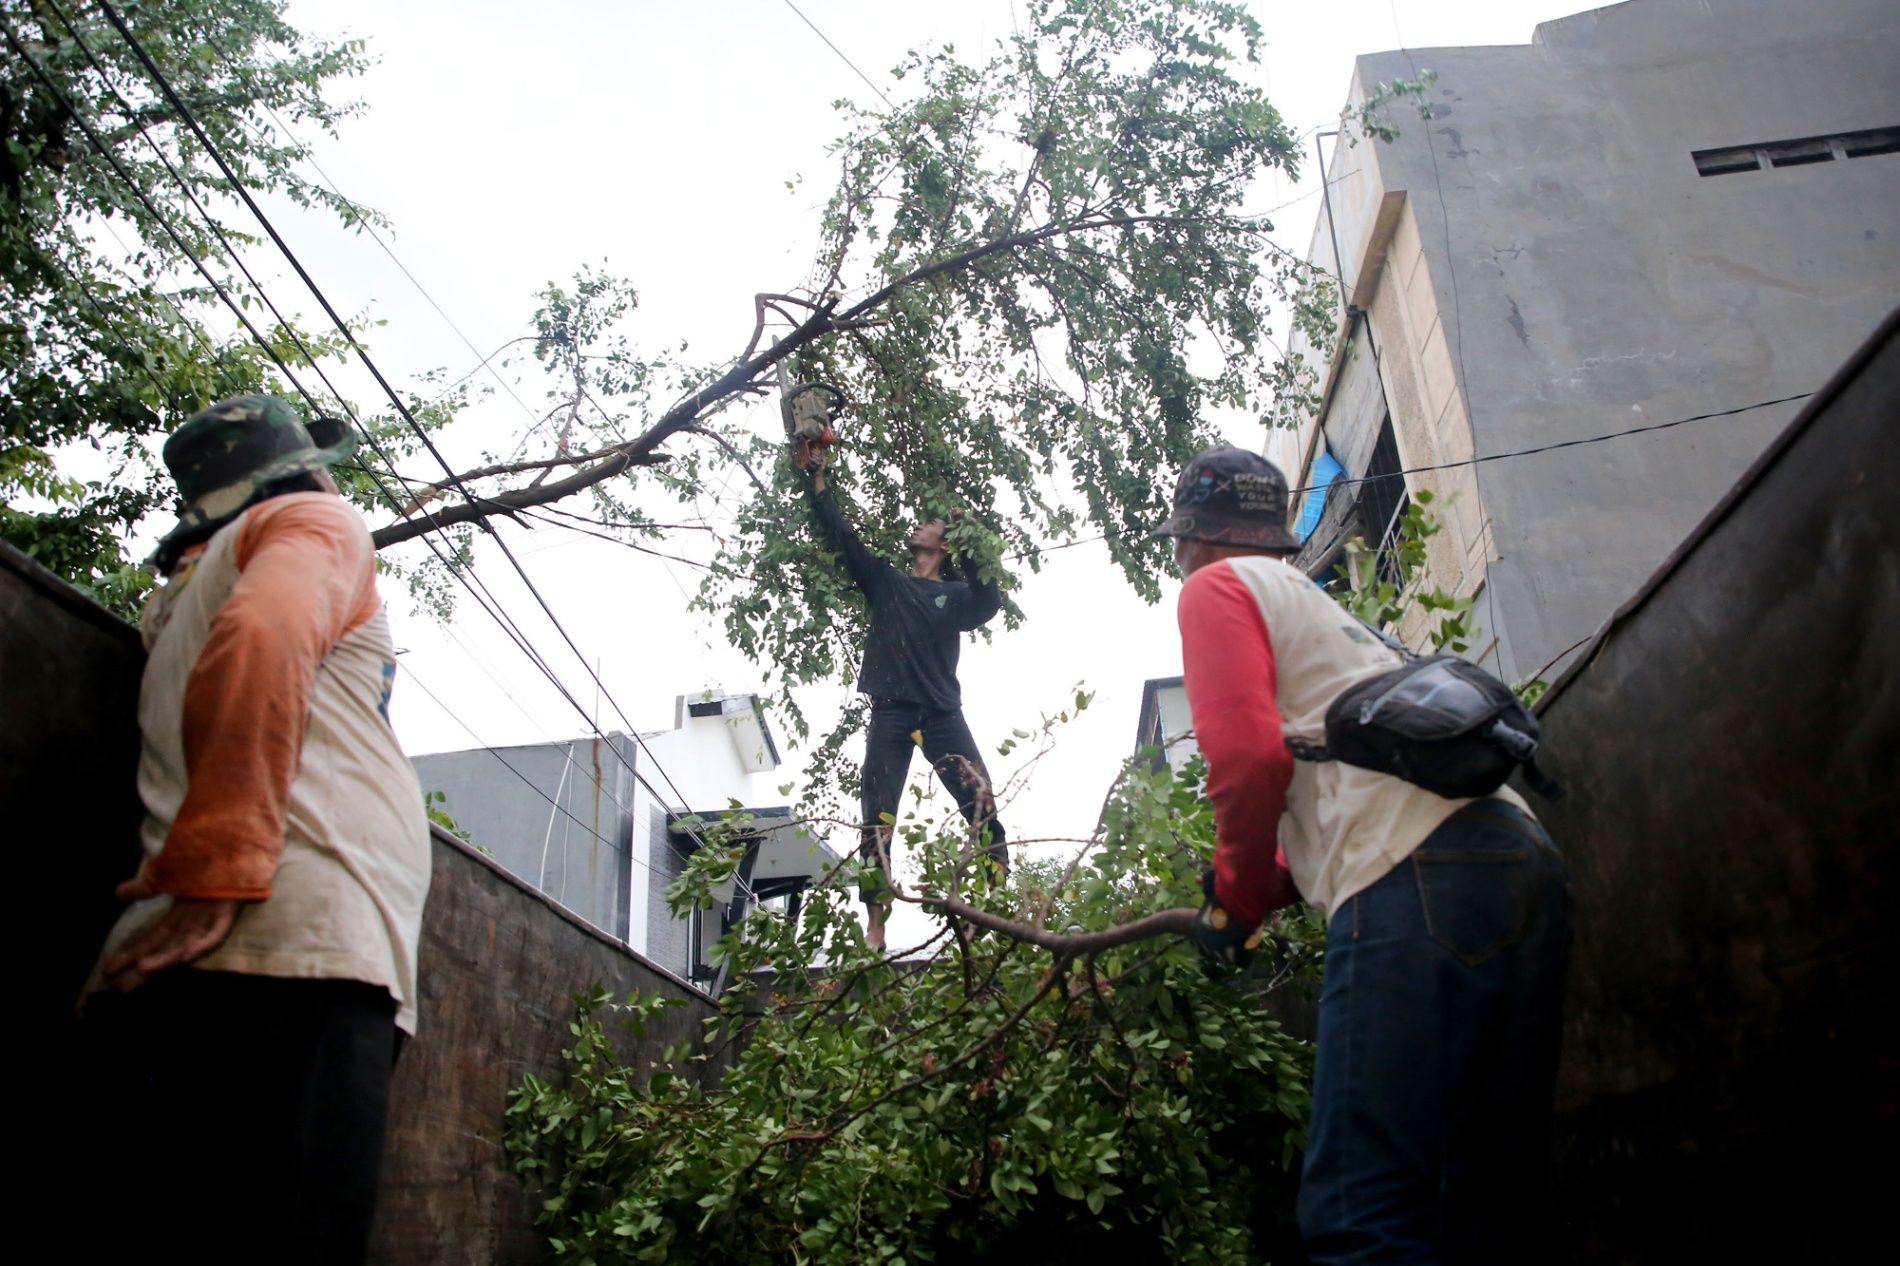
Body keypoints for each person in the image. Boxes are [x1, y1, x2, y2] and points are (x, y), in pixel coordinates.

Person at [1160, 446, 1571, 1265]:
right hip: (1520, 860)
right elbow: (1333, 777)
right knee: (1477, 1208)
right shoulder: (1331, 619)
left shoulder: (1216, 589)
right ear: (1272, 535)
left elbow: (1249, 762)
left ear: (1196, 540)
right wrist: (1266, 887)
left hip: (1412, 872)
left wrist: (1236, 899)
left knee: (1364, 1216)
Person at [77, 395, 432, 1265]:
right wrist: (222, 864)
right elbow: (266, 632)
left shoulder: (172, 604)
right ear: (295, 475)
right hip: (289, 953)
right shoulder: (316, 520)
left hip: (181, 966)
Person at [805, 451, 1008, 949]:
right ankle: (876, 923)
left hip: (941, 715)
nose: (918, 526)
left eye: (930, 523)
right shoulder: (887, 584)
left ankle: (999, 896)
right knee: (877, 814)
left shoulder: (958, 595)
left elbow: (989, 600)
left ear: (943, 543)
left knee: (979, 799)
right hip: (892, 713)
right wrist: (819, 482)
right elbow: (843, 539)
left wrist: (969, 535)